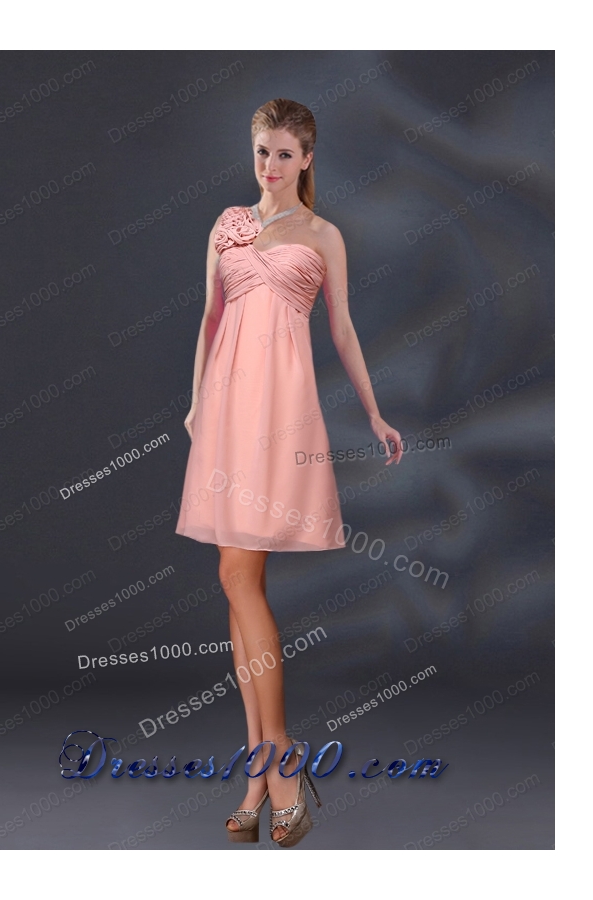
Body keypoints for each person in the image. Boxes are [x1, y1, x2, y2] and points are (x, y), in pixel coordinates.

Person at [176, 98, 402, 847]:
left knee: (239, 576)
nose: (269, 166)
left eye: (282, 153)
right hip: (225, 411)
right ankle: (264, 769)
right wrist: (195, 402)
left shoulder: (323, 235)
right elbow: (209, 318)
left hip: (281, 414)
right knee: (234, 577)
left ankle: (277, 761)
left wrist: (374, 414)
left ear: (306, 158)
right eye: (260, 151)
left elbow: (343, 328)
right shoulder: (227, 225)